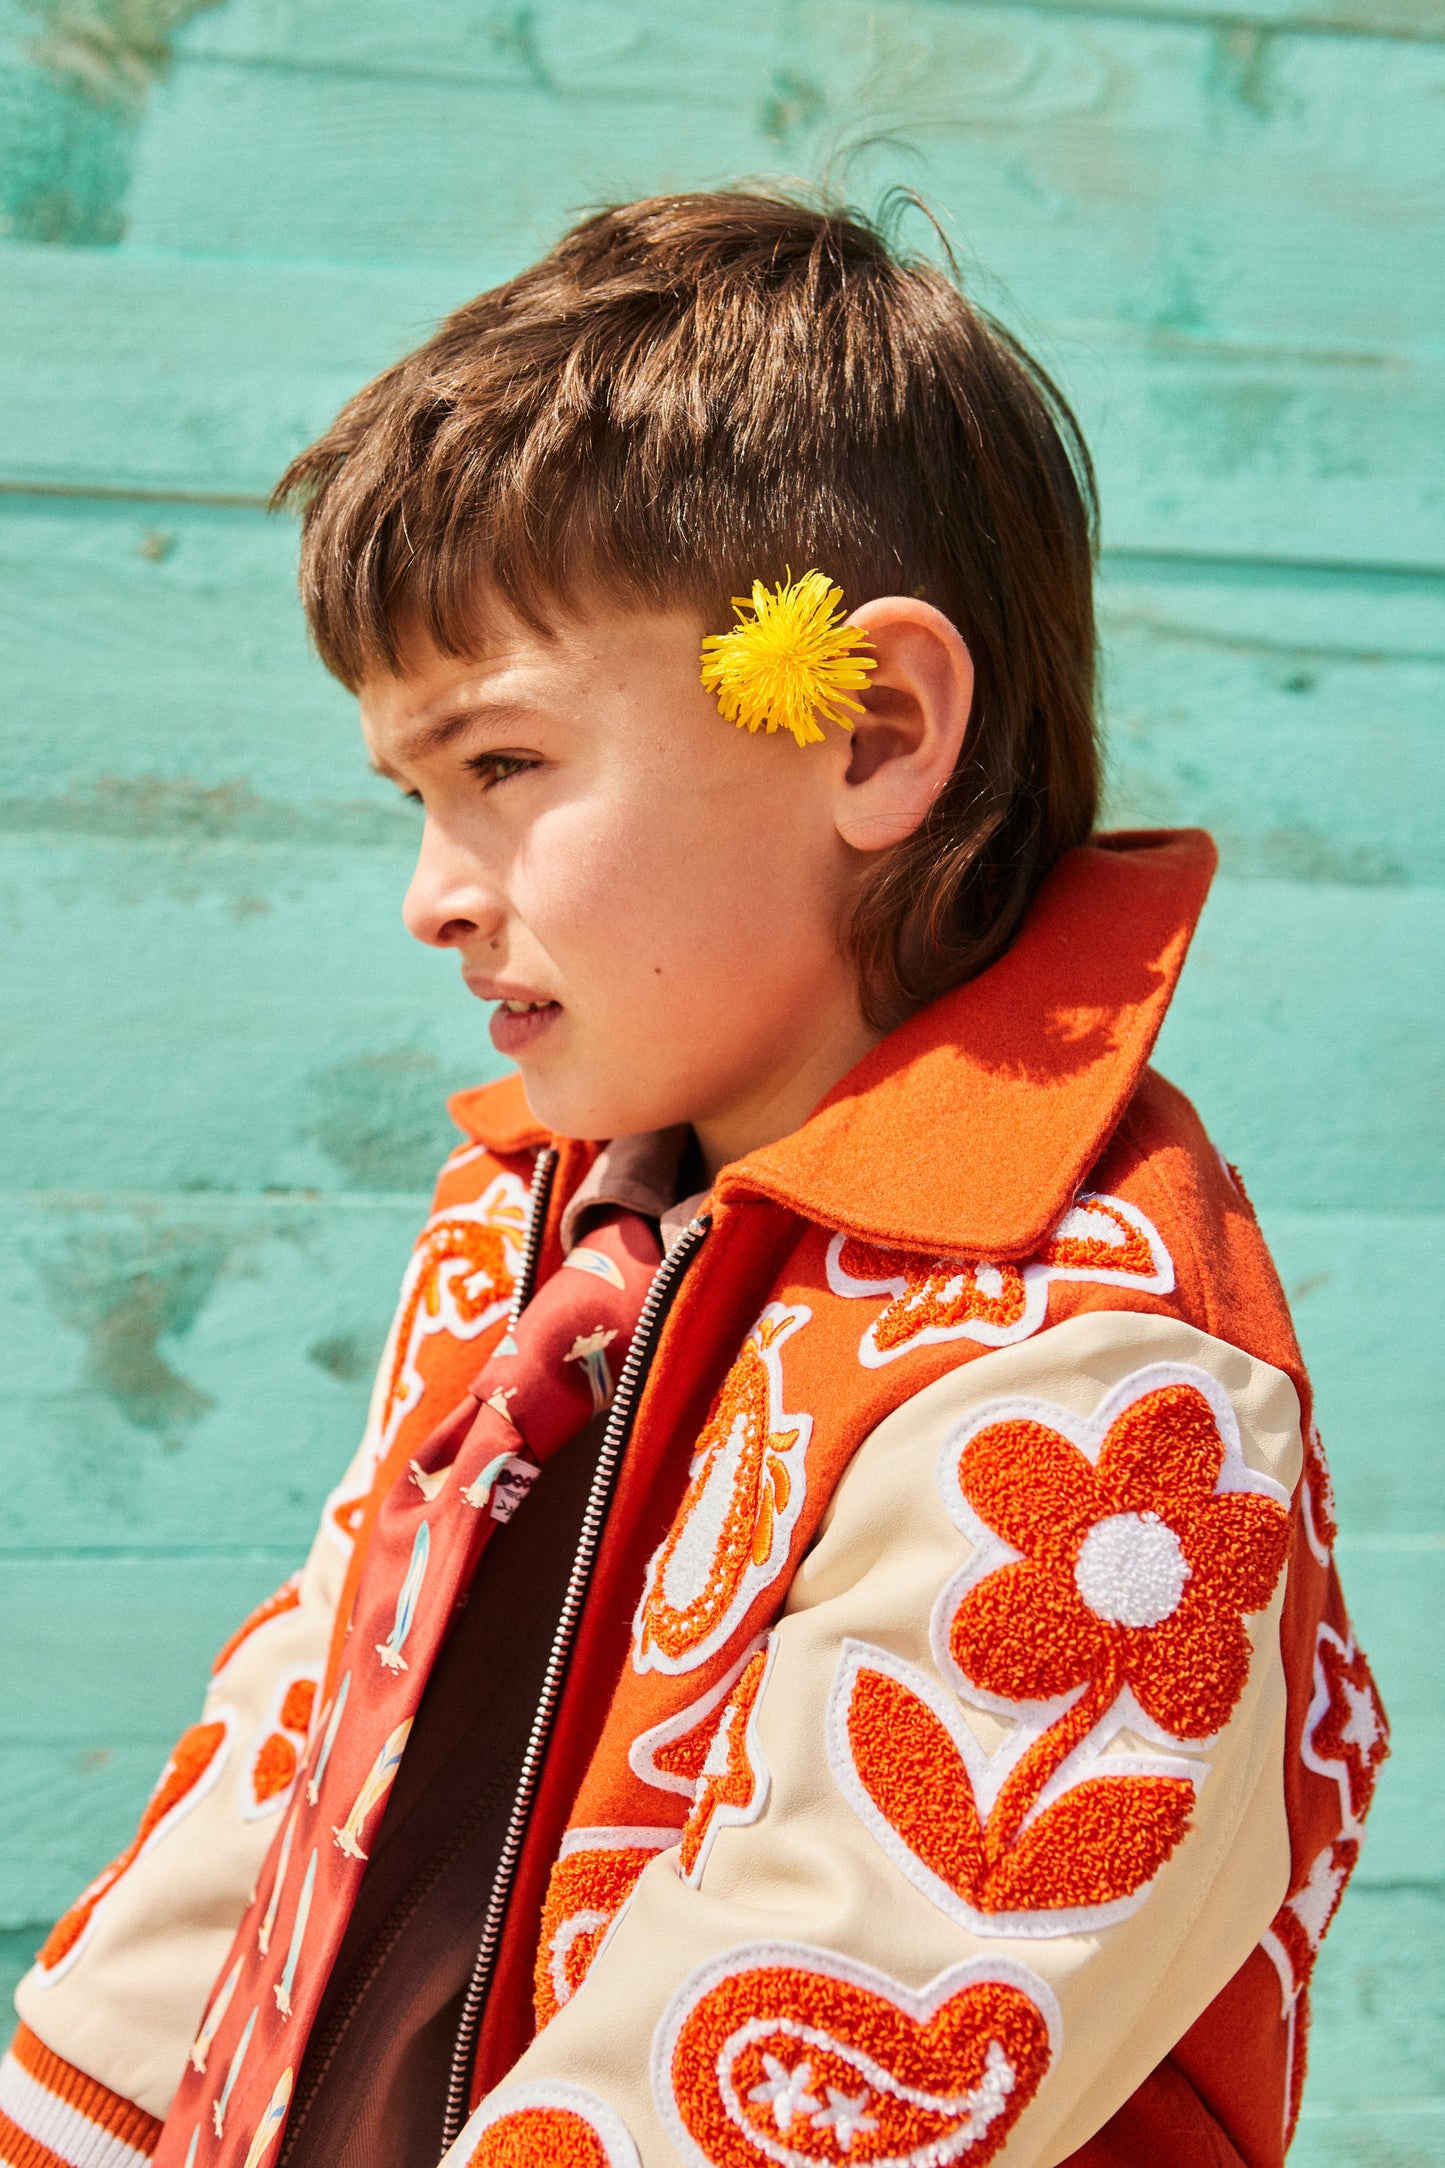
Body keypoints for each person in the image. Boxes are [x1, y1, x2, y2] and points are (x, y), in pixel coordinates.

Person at [3, 192, 1387, 2168]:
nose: (430, 895)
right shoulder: (537, 1238)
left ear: (872, 726)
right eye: (413, 795)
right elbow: (290, 1764)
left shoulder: (1085, 1392)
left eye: (499, 766)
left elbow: (829, 2041)